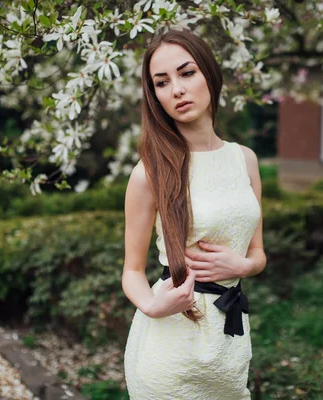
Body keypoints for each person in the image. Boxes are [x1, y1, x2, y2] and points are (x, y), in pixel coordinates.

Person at [122, 28, 266, 399]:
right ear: (155, 96)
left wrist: (244, 267)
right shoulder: (149, 173)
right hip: (172, 345)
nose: (177, 89)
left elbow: (257, 252)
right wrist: (153, 306)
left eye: (187, 73)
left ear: (209, 74)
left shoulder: (245, 159)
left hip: (229, 344)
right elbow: (132, 271)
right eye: (162, 82)